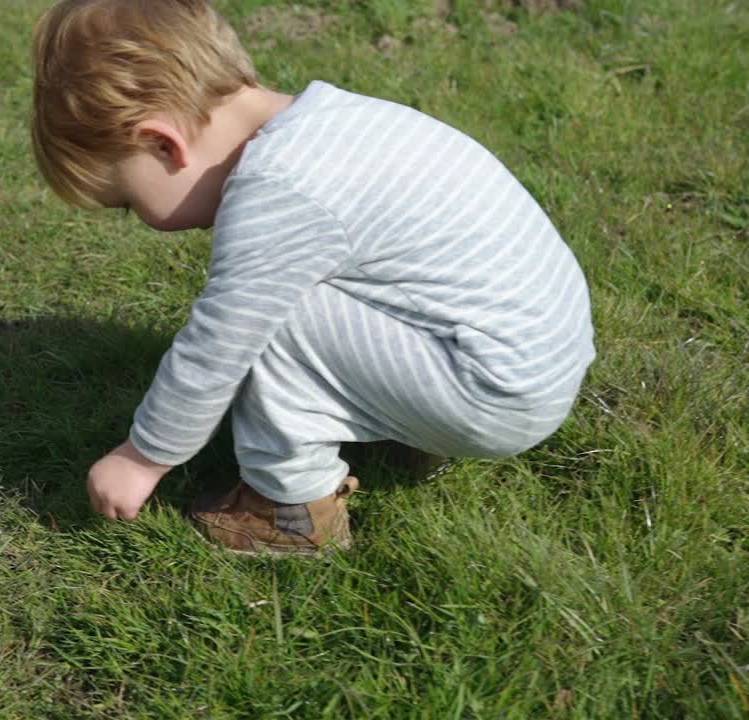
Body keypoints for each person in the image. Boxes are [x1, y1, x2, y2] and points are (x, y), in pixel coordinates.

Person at [30, 0, 595, 555]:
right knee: (294, 299)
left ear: (163, 144)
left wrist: (142, 456)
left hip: (494, 391)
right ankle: (407, 427)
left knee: (267, 321)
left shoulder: (277, 191)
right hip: (537, 357)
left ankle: (293, 510)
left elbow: (216, 348)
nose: (142, 222)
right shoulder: (337, 121)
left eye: (127, 201)